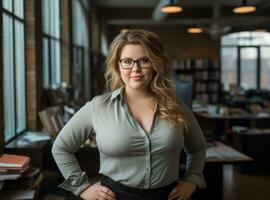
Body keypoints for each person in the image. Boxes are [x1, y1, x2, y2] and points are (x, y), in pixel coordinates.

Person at [52, 29, 207, 200]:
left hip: (168, 196)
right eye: (127, 61)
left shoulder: (176, 106)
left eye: (144, 60)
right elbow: (61, 148)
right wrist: (82, 188)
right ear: (118, 65)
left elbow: (198, 148)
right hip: (115, 196)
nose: (136, 68)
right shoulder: (99, 107)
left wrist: (191, 181)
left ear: (156, 64)